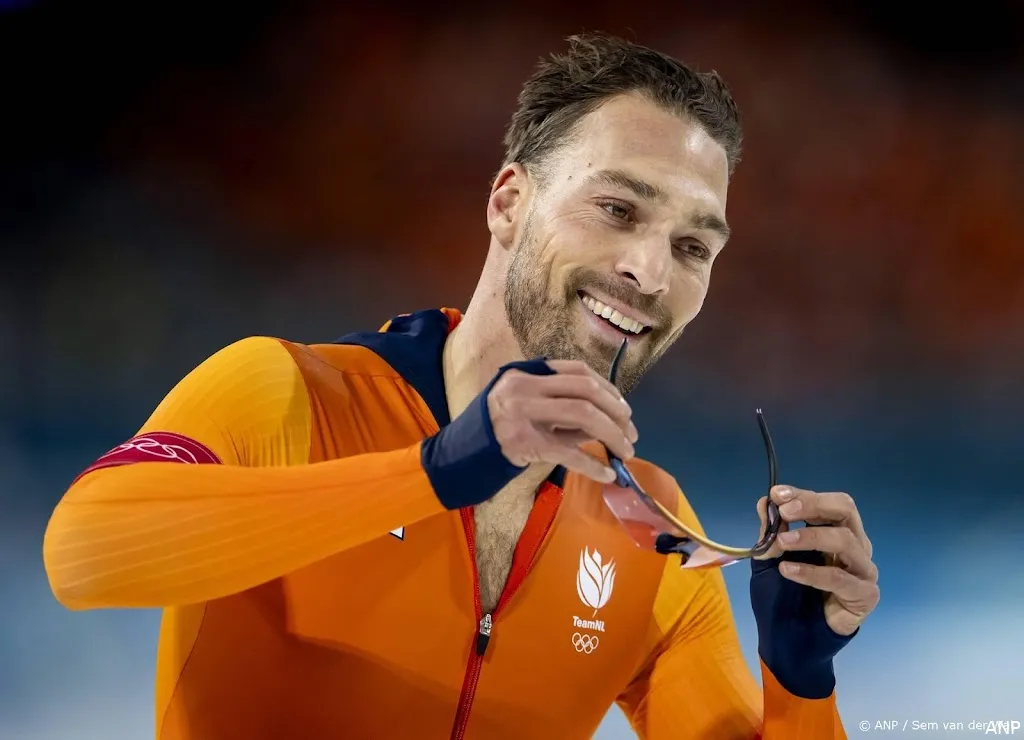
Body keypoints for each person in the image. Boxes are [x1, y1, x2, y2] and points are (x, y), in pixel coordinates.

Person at [42, 33, 879, 740]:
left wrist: (799, 683)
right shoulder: (288, 395)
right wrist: (436, 471)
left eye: (693, 248)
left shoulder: (651, 536)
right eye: (619, 210)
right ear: (509, 203)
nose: (650, 271)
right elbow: (80, 556)